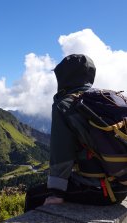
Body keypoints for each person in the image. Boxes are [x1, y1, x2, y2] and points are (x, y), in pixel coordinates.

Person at [25, 54, 127, 211]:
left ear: (63, 76)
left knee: (33, 196)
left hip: (100, 190)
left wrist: (56, 193)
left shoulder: (64, 104)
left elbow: (61, 155)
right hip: (121, 186)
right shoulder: (103, 100)